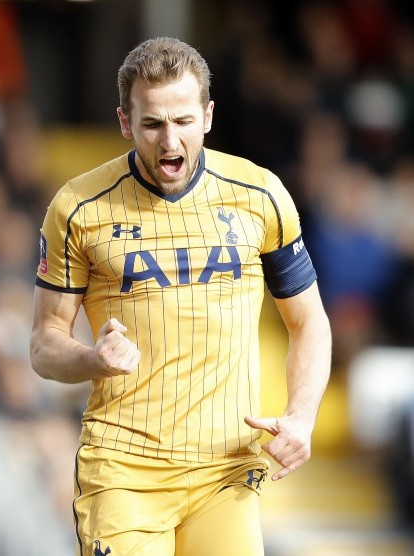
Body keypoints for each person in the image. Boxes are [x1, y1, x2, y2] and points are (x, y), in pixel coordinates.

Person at [30, 36, 331, 556]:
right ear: (125, 123)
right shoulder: (77, 208)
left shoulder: (261, 195)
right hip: (123, 473)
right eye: (152, 124)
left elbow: (309, 323)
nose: (170, 142)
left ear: (208, 116)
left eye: (184, 121)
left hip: (226, 470)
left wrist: (302, 416)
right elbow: (43, 345)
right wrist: (92, 359)